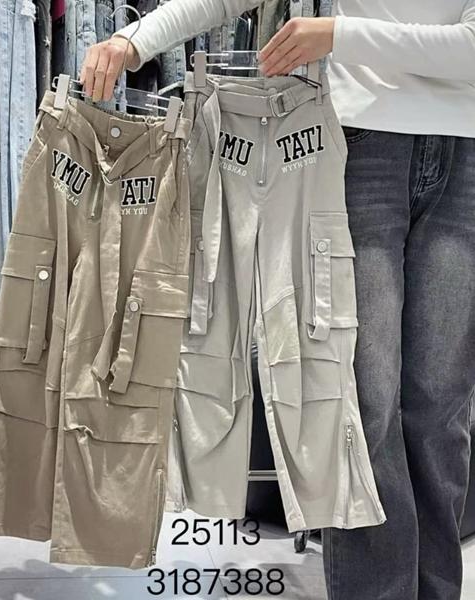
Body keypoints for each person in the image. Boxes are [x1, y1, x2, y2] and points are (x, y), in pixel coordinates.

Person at [80, 2, 475, 599]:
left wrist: (340, 34)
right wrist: (135, 38)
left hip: (465, 149)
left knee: (441, 412)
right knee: (362, 408)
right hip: (360, 144)